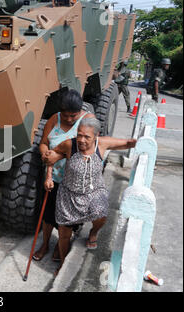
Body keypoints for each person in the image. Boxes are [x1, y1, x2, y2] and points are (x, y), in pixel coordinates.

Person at [44, 118, 136, 274]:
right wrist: (48, 177)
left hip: (94, 191)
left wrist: (136, 142)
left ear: (96, 136)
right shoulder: (69, 144)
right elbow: (50, 157)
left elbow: (127, 144)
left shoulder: (102, 144)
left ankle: (93, 232)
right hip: (69, 194)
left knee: (101, 214)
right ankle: (62, 263)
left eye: (86, 137)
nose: (81, 140)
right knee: (63, 234)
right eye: (79, 135)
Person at [33, 89, 95, 262]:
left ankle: (60, 248)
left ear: (80, 111)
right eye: (65, 115)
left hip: (73, 183)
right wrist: (45, 153)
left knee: (65, 222)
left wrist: (57, 155)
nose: (68, 119)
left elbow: (88, 151)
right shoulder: (55, 118)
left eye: (73, 116)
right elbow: (44, 143)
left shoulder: (89, 121)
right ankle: (45, 244)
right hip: (52, 178)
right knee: (48, 216)